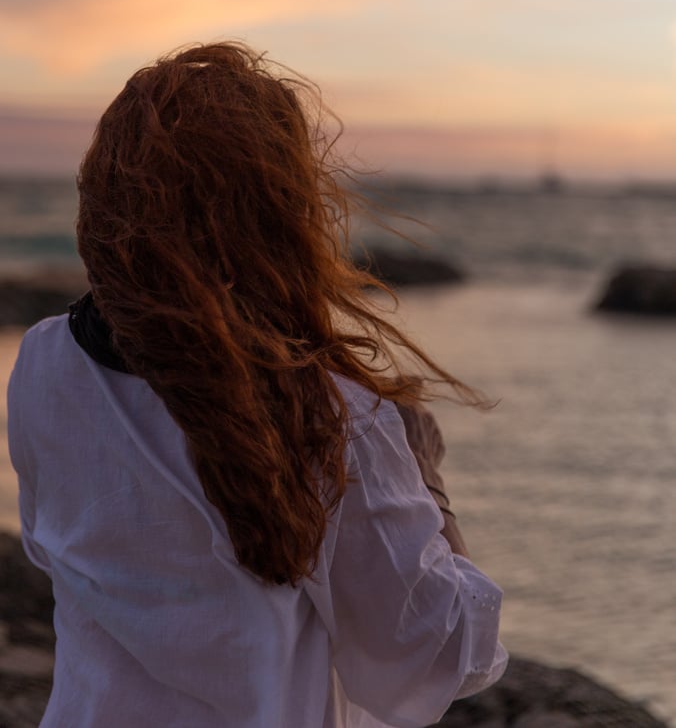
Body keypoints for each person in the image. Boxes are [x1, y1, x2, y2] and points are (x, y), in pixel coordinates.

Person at [8, 42, 507, 728]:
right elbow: (439, 658)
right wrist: (426, 482)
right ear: (281, 215)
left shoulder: (46, 361)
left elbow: (52, 546)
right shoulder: (332, 415)